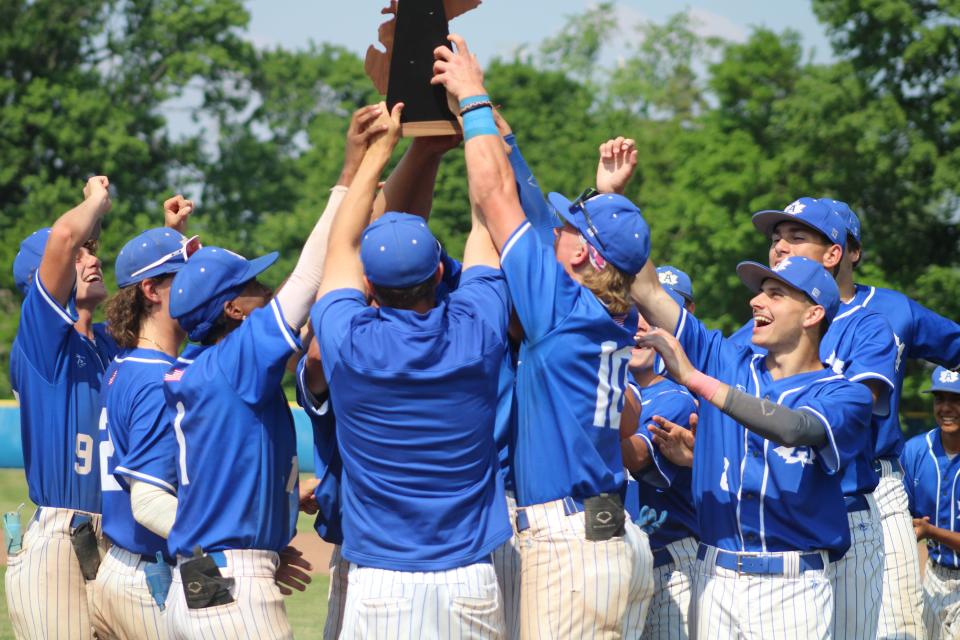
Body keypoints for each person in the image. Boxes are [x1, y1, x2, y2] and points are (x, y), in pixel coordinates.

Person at [433, 35, 655, 637]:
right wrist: (489, 121)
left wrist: (474, 95)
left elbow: (498, 196)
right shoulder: (612, 313)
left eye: (564, 227)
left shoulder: (563, 309)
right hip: (613, 539)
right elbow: (525, 198)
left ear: (582, 250)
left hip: (572, 545)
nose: (549, 228)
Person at [157, 100, 366, 633]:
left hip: (207, 579)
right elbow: (310, 276)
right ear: (232, 309)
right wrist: (348, 175)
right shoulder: (235, 360)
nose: (263, 290)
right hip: (231, 584)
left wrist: (281, 499)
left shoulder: (201, 365)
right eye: (250, 287)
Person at [310, 91, 512, 635]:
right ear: (440, 275)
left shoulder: (350, 341)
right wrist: (479, 127)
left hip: (381, 581)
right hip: (470, 576)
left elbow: (341, 245)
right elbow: (486, 224)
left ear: (370, 285)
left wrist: (378, 151)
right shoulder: (478, 327)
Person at [632, 251, 873, 638]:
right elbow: (646, 289)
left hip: (792, 588)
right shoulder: (728, 360)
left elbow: (795, 428)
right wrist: (611, 202)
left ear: (813, 314)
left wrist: (696, 379)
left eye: (776, 294)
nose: (756, 301)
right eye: (761, 292)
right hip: (714, 578)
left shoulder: (845, 394)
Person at [731, 196, 895, 638]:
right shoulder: (755, 330)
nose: (780, 247)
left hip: (842, 509)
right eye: (776, 238)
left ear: (834, 253)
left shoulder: (866, 325)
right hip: (775, 521)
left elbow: (851, 414)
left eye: (796, 237)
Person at [827, 198, 960, 639]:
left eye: (814, 236)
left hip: (880, 483)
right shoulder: (781, 315)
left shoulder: (894, 309)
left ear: (850, 251)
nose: (787, 247)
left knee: (899, 624)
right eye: (783, 238)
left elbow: (955, 343)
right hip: (809, 481)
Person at [6, 177, 119, 640]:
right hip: (59, 539)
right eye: (78, 254)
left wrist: (176, 237)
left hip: (118, 539)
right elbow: (64, 236)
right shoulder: (41, 338)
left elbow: (166, 305)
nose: (91, 258)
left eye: (93, 250)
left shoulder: (112, 342)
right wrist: (95, 199)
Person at [89, 207, 198, 639]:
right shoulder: (156, 378)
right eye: (186, 280)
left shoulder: (125, 362)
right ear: (151, 291)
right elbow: (149, 504)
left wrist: (172, 237)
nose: (199, 288)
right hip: (151, 576)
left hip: (122, 566)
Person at [622, 310, 699, 640]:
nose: (639, 326)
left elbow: (637, 457)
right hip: (620, 563)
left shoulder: (675, 398)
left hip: (670, 562)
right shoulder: (611, 389)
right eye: (630, 315)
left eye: (650, 319)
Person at [900, 367, 960, 639]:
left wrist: (929, 532)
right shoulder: (915, 451)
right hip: (933, 577)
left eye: (956, 399)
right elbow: (903, 520)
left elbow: (923, 530)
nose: (946, 407)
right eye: (940, 398)